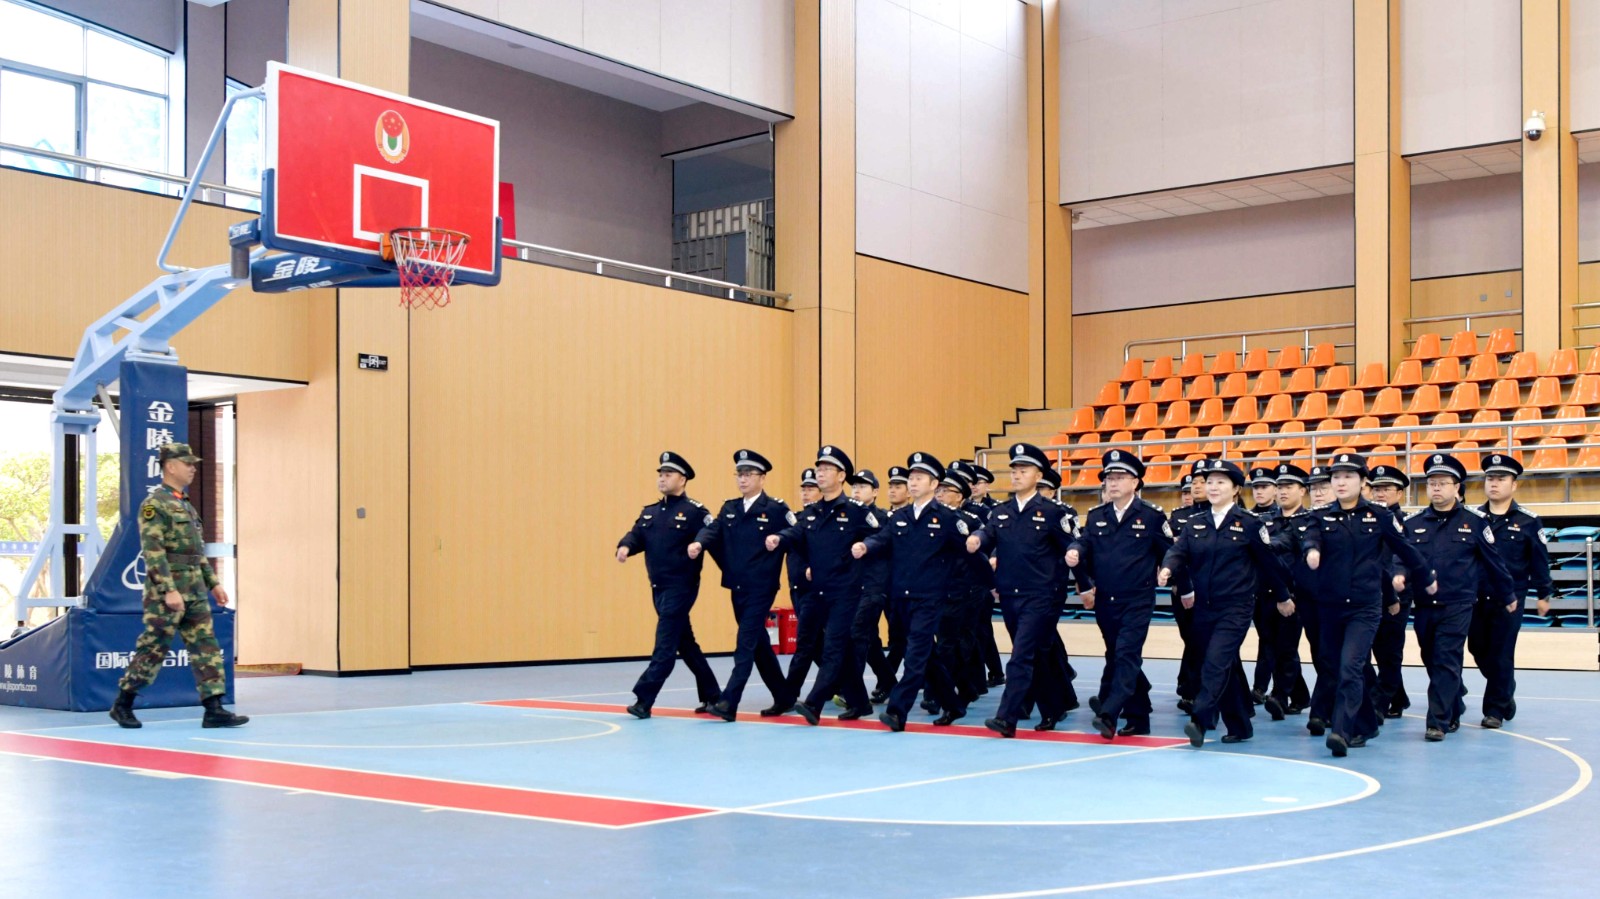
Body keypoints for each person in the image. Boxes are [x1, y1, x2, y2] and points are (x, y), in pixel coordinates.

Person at [1300, 453, 1435, 757]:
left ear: (1363, 482)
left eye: (1348, 476)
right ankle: (1366, 724)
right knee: (1337, 667)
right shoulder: (1320, 516)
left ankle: (1341, 731)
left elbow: (1405, 549)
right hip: (1330, 606)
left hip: (1364, 606)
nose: (1341, 482)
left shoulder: (1379, 516)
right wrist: (1312, 552)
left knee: (1351, 666)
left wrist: (1425, 576)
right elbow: (1311, 539)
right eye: (1336, 477)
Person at [109, 442, 248, 729]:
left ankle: (214, 709)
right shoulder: (155, 505)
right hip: (167, 590)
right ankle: (122, 704)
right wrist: (169, 590)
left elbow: (196, 552)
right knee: (154, 647)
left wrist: (213, 583)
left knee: (206, 647)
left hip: (194, 588)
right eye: (188, 464)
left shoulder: (185, 504)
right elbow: (153, 551)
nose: (193, 468)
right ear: (170, 466)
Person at [1159, 459, 1287, 747]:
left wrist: (1283, 596)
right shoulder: (1195, 523)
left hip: (1236, 607)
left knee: (1215, 663)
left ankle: (1200, 719)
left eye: (1220, 482)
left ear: (1236, 489)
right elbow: (1179, 551)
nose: (1213, 487)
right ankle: (1240, 725)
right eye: (1210, 482)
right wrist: (1168, 568)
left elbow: (1269, 563)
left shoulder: (1250, 523)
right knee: (1222, 664)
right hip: (1204, 607)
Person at [1403, 453, 1516, 742]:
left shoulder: (1475, 522)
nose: (1436, 488)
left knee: (1446, 658)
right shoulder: (1413, 523)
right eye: (1432, 483)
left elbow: (1494, 562)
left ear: (1456, 488)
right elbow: (1401, 559)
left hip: (1458, 604)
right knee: (1431, 658)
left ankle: (1437, 722)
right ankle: (1452, 707)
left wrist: (1507, 593)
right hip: (1424, 606)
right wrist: (1398, 579)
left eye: (1443, 483)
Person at [970, 443, 1077, 738]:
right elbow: (988, 534)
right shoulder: (1001, 512)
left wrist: (1085, 582)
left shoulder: (1052, 512)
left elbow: (1072, 547)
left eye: (1023, 470)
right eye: (1014, 470)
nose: (1016, 475)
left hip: (1041, 595)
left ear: (1038, 476)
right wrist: (977, 539)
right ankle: (1054, 706)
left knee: (1020, 655)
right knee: (1037, 653)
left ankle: (1007, 718)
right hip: (1010, 594)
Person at [857, 453, 970, 730]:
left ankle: (897, 711)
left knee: (915, 654)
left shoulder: (947, 518)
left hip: (930, 598)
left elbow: (969, 554)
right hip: (902, 597)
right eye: (912, 478)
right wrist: (866, 546)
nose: (913, 482)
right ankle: (953, 704)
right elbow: (882, 539)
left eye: (920, 478)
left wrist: (991, 583)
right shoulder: (900, 517)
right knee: (927, 655)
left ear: (934, 484)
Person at [766, 445, 878, 723]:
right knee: (811, 646)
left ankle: (814, 703)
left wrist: (865, 547)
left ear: (841, 476)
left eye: (827, 469)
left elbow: (881, 537)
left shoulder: (856, 512)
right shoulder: (812, 512)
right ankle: (859, 702)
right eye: (819, 468)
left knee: (833, 647)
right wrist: (779, 538)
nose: (821, 473)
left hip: (846, 592)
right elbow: (796, 533)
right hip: (816, 591)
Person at [1067, 450, 1173, 740]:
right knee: (1118, 656)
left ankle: (1109, 713)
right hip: (1106, 600)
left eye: (1119, 477)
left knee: (1126, 654)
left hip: (1138, 599)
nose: (1112, 483)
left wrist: (1178, 581)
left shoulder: (1151, 516)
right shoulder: (1097, 516)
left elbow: (1170, 552)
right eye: (1108, 478)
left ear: (1135, 482)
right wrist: (1075, 550)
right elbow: (1085, 543)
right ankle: (1139, 716)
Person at [688, 450, 795, 721]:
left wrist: (780, 538)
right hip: (737, 586)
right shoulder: (730, 508)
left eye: (748, 474)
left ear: (762, 478)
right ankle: (784, 696)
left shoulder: (775, 509)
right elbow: (714, 530)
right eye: (739, 474)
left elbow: (796, 531)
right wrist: (700, 542)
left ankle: (729, 702)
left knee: (745, 643)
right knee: (758, 643)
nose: (743, 479)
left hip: (761, 586)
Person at [616, 452, 723, 719]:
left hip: (681, 587)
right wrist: (625, 546)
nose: (662, 479)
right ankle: (713, 696)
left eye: (668, 474)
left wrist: (698, 544)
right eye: (660, 474)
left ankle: (643, 699)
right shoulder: (650, 511)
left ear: (682, 479)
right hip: (658, 587)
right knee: (685, 643)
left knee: (664, 645)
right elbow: (637, 534)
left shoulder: (694, 511)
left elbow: (711, 532)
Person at [1470, 452, 1553, 729]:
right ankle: (1505, 690)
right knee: (1477, 647)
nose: (1494, 483)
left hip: (1510, 599)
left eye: (1501, 479)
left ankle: (1494, 709)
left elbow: (1539, 560)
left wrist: (1543, 594)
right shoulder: (1473, 518)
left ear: (1514, 484)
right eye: (1490, 478)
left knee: (1502, 652)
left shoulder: (1528, 521)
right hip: (1476, 596)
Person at [767, 468, 822, 716]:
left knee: (805, 643)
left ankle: (788, 696)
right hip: (797, 588)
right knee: (818, 644)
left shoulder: (823, 520)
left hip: (817, 590)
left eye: (811, 488)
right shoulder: (795, 520)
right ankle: (845, 686)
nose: (806, 493)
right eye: (804, 489)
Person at [845, 469, 897, 702]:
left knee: (857, 633)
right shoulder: (846, 515)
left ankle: (852, 691)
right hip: (852, 585)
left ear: (875, 492)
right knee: (870, 640)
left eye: (862, 487)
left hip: (876, 585)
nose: (856, 490)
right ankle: (889, 682)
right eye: (854, 486)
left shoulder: (884, 518)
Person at [1367, 464, 1414, 719]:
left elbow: (1403, 554)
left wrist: (1398, 577)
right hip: (1370, 591)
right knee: (1376, 650)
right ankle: (1398, 697)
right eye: (1376, 489)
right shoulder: (1368, 518)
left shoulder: (1406, 521)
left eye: (1386, 489)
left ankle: (1379, 702)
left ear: (1400, 493)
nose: (1380, 493)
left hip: (1396, 594)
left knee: (1389, 651)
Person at [1168, 460, 1210, 712]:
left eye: (1203, 482)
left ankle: (1194, 689)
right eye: (1194, 482)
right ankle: (1190, 686)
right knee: (1191, 640)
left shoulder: (1220, 515)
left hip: (1209, 590)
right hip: (1182, 589)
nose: (1197, 486)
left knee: (1204, 642)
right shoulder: (1179, 516)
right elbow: (1173, 551)